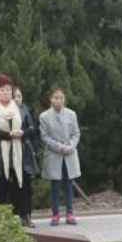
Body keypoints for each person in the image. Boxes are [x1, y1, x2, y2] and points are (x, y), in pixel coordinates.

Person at [0, 74, 37, 227]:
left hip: (22, 153)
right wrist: (7, 135)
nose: (6, 93)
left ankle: (26, 216)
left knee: (24, 185)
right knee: (4, 186)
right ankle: (5, 219)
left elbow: (32, 128)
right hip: (1, 156)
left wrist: (22, 133)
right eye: (2, 90)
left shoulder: (22, 109)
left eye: (8, 90)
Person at [40, 87, 81, 226]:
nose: (58, 100)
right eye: (55, 98)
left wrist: (71, 146)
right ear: (51, 99)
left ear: (64, 99)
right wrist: (59, 147)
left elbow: (76, 133)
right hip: (54, 154)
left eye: (61, 98)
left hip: (69, 154)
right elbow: (45, 136)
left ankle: (70, 213)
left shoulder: (71, 114)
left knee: (69, 184)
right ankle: (55, 214)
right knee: (55, 185)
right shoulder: (44, 116)